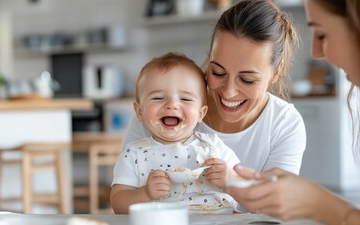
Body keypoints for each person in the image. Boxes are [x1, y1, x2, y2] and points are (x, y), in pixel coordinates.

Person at [227, 0, 360, 225]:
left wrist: (317, 203)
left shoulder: (284, 121)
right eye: (217, 72)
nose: (316, 52)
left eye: (322, 34)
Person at [123, 0, 305, 183]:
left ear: (275, 72)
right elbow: (126, 192)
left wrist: (233, 182)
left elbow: (276, 204)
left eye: (247, 80)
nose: (229, 92)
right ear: (210, 56)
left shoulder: (284, 124)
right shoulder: (161, 108)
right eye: (218, 72)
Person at [110, 52, 242, 214]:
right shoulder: (134, 154)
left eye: (185, 99)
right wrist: (144, 193)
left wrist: (230, 180)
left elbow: (249, 192)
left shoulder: (213, 145)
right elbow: (118, 204)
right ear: (139, 111)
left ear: (201, 113)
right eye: (158, 97)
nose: (172, 105)